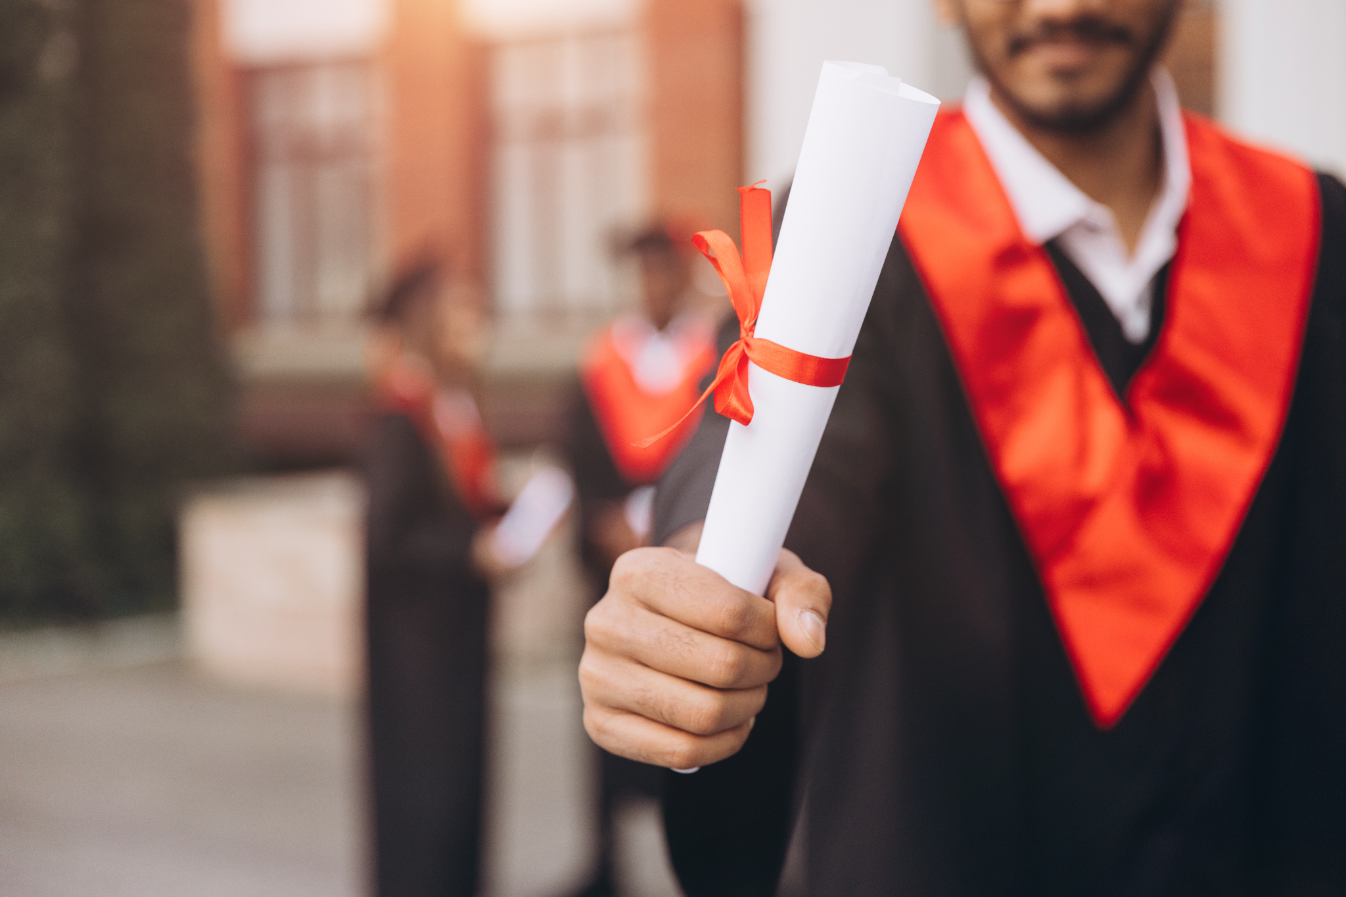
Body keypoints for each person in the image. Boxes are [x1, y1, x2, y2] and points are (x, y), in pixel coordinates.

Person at [577, 0, 1346, 895]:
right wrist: (701, 578)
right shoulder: (857, 216)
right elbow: (771, 443)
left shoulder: (1313, 227)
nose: (1063, 5)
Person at [562, 223, 716, 897]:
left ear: (684, 275)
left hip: (692, 558)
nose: (653, 283)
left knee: (693, 713)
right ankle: (607, 864)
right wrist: (601, 521)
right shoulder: (603, 361)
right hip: (612, 564)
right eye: (645, 271)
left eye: (665, 270)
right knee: (612, 710)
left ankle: (704, 862)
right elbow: (577, 456)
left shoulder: (715, 351)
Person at [362, 259, 507, 897]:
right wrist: (471, 551)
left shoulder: (456, 405)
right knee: (426, 797)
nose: (477, 329)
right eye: (462, 316)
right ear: (430, 325)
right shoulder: (402, 416)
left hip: (460, 635)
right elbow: (391, 536)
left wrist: (511, 517)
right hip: (416, 654)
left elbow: (460, 507)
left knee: (463, 789)